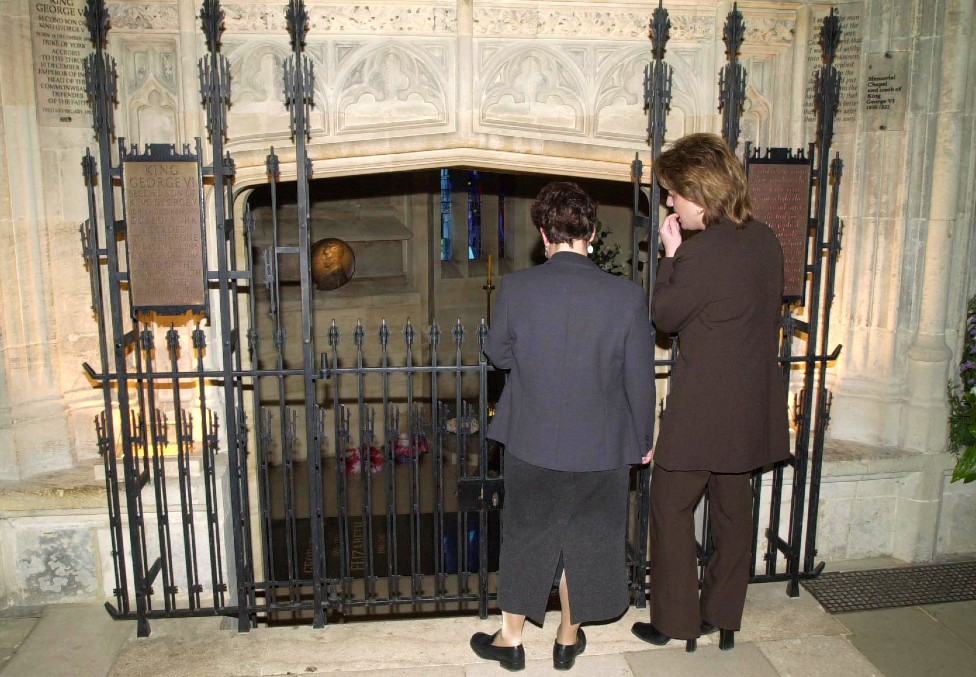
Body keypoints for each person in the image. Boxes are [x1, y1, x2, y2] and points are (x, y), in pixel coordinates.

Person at [470, 181, 657, 672]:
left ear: (543, 232)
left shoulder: (518, 288)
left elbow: (497, 353)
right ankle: (567, 640)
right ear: (591, 233)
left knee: (527, 534)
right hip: (602, 446)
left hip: (532, 440)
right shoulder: (627, 297)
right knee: (589, 541)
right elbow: (640, 380)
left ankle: (511, 640)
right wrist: (643, 440)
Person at [631, 133, 791, 652]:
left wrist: (672, 255)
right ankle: (724, 617)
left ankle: (676, 621)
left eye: (673, 194)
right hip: (750, 409)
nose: (670, 204)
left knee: (670, 507)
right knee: (732, 513)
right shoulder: (766, 240)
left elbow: (665, 316)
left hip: (702, 412)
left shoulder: (701, 254)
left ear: (699, 193)